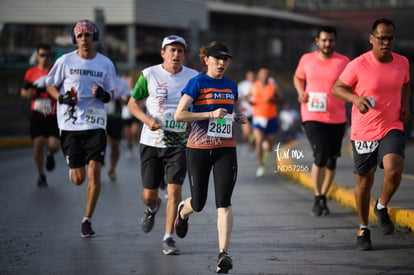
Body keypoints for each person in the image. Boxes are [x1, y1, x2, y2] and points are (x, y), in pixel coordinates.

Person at [332, 18, 410, 251]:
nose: (386, 43)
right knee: (364, 181)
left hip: (392, 125)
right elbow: (337, 88)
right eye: (381, 38)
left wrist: (405, 106)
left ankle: (382, 206)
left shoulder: (402, 62)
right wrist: (355, 98)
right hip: (364, 130)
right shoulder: (358, 64)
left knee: (394, 168)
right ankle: (363, 227)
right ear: (372, 39)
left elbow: (406, 84)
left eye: (390, 38)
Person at [174, 41, 247, 274]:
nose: (222, 63)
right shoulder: (196, 83)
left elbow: (227, 115)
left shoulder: (231, 86)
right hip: (198, 149)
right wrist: (209, 113)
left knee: (224, 202)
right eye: (217, 59)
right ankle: (182, 212)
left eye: (225, 60)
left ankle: (223, 254)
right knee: (198, 202)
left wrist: (237, 118)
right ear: (206, 60)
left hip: (226, 149)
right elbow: (179, 115)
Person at [127, 35, 198, 255]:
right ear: (163, 53)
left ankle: (168, 237)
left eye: (180, 51)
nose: (176, 54)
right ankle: (151, 208)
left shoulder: (194, 77)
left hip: (179, 142)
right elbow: (133, 103)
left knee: (174, 190)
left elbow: (202, 105)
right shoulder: (149, 74)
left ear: (184, 54)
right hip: (151, 141)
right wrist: (148, 120)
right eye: (172, 50)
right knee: (149, 194)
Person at [46, 19, 116, 238]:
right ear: (74, 39)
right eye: (80, 36)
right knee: (78, 179)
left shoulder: (105, 63)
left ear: (94, 37)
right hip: (70, 124)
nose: (84, 39)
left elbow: (112, 93)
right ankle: (73, 168)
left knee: (95, 169)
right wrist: (62, 98)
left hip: (95, 122)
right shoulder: (65, 61)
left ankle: (87, 220)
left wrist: (103, 95)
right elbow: (50, 85)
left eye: (88, 35)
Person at [293, 26, 350, 216]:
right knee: (320, 156)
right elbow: (297, 77)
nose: (327, 44)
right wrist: (301, 92)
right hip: (312, 115)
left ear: (335, 41)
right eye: (324, 40)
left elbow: (353, 84)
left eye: (331, 40)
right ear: (317, 41)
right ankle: (317, 197)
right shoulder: (306, 59)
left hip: (336, 117)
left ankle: (323, 195)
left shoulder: (343, 62)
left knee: (332, 161)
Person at [20, 44, 60, 187]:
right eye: (42, 55)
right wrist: (29, 93)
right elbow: (23, 91)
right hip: (37, 112)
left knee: (54, 145)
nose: (45, 58)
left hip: (53, 113)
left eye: (47, 55)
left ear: (51, 56)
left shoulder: (55, 71)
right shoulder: (31, 73)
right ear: (37, 56)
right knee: (38, 144)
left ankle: (50, 154)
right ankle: (41, 175)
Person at [245, 66, 284, 177]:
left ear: (269, 76)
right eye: (263, 73)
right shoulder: (254, 86)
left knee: (270, 144)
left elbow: (282, 100)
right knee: (259, 142)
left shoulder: (273, 86)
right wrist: (250, 102)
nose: (265, 76)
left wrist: (274, 100)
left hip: (271, 118)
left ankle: (266, 150)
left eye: (267, 74)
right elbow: (246, 97)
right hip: (258, 118)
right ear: (259, 76)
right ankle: (261, 164)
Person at [106, 75, 131, 181]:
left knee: (115, 145)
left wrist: (122, 100)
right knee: (98, 143)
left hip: (116, 117)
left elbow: (128, 97)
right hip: (100, 116)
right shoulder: (99, 78)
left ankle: (112, 169)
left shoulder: (120, 82)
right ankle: (97, 161)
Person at [237, 70, 255, 146]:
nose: (251, 77)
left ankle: (255, 145)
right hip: (245, 112)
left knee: (256, 133)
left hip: (256, 112)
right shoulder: (242, 85)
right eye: (250, 75)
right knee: (246, 133)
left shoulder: (257, 84)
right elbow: (238, 97)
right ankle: (249, 143)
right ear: (247, 76)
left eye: (253, 75)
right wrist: (239, 106)